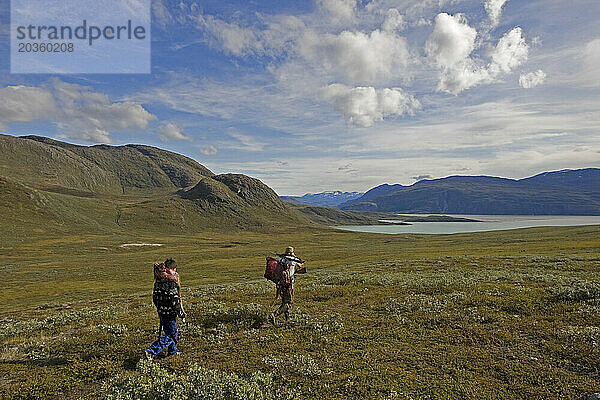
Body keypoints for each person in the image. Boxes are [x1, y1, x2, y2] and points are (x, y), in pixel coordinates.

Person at [145, 258, 186, 360]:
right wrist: (181, 313)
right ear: (173, 269)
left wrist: (159, 308)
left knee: (170, 331)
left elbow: (155, 296)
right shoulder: (172, 281)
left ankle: (172, 351)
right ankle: (151, 351)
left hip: (161, 310)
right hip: (170, 312)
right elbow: (175, 300)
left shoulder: (159, 280)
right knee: (171, 335)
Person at [269, 246, 306, 325]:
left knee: (284, 301)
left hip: (280, 283)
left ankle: (287, 318)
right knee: (288, 303)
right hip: (288, 283)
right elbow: (301, 265)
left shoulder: (280, 258)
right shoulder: (293, 260)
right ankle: (274, 314)